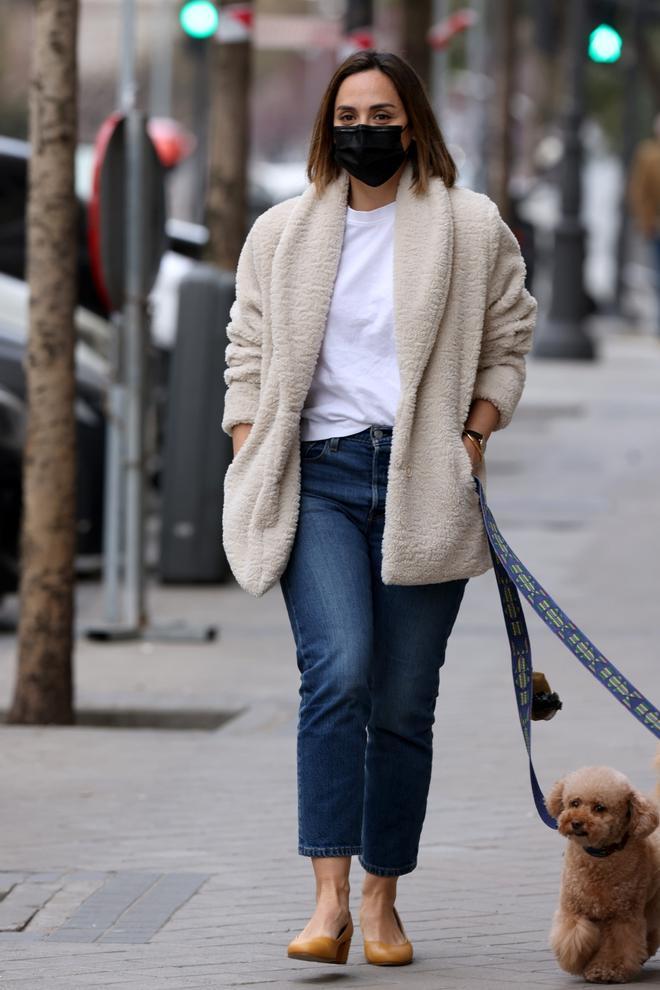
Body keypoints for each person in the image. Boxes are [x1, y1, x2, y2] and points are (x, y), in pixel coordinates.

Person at [221, 50, 537, 967]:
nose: (366, 127)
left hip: (424, 479)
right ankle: (327, 904)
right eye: (350, 112)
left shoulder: (471, 228)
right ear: (329, 125)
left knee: (403, 701)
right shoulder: (281, 232)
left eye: (383, 112)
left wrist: (472, 438)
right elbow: (246, 344)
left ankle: (382, 897)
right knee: (341, 671)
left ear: (413, 123)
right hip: (314, 477)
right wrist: (249, 439)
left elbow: (510, 340)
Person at [629, 113, 660, 335]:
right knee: (657, 275)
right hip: (657, 225)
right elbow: (639, 192)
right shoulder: (648, 154)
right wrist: (648, 221)